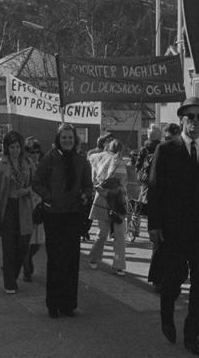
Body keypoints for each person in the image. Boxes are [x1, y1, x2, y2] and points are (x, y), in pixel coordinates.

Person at [147, 96, 199, 356]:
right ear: (181, 120)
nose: (195, 122)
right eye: (190, 117)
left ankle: (192, 335)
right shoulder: (166, 150)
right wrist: (154, 225)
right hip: (173, 229)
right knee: (174, 278)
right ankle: (166, 314)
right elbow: (155, 189)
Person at [32, 122, 92, 318]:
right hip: (54, 215)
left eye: (70, 138)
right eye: (64, 137)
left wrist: (85, 195)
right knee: (56, 260)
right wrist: (49, 196)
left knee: (72, 260)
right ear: (58, 139)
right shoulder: (49, 159)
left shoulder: (82, 161)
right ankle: (53, 304)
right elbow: (37, 183)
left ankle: (69, 304)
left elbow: (88, 185)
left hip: (73, 215)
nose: (67, 141)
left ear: (75, 140)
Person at [0, 131, 36, 294]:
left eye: (17, 146)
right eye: (11, 147)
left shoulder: (28, 162)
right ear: (6, 148)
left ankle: (11, 273)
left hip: (24, 208)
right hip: (7, 208)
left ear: (21, 147)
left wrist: (26, 191)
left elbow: (37, 185)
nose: (15, 150)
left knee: (23, 246)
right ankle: (9, 283)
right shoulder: (2, 164)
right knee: (8, 247)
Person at [88, 138, 134, 276]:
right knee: (102, 232)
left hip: (118, 199)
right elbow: (94, 180)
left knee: (120, 233)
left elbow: (124, 182)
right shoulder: (96, 158)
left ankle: (118, 264)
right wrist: (106, 191)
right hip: (103, 198)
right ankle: (94, 257)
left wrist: (118, 189)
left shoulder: (121, 161)